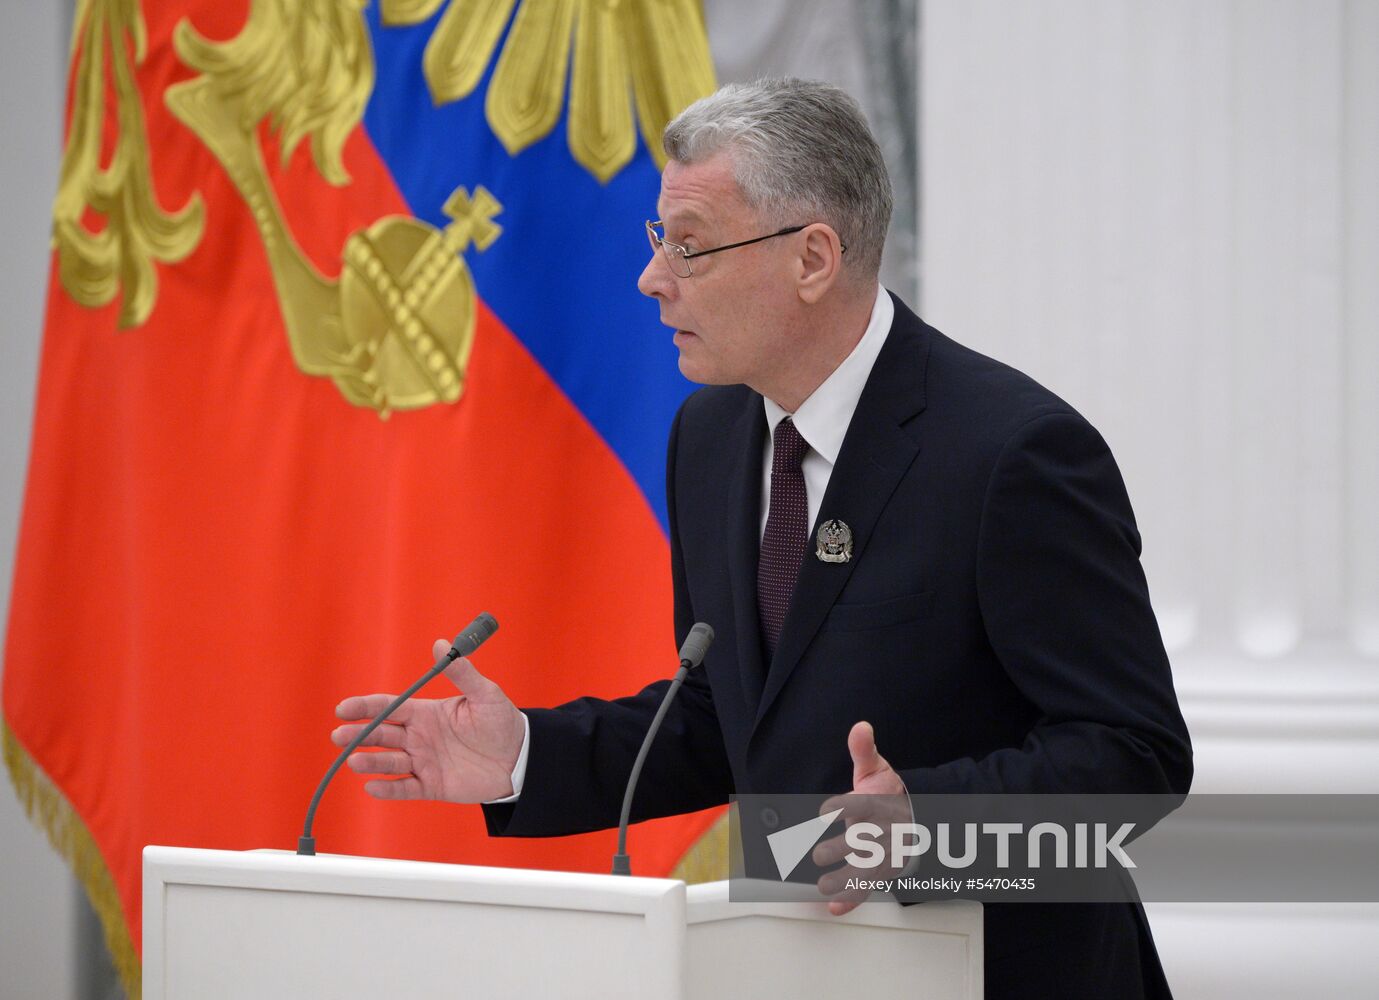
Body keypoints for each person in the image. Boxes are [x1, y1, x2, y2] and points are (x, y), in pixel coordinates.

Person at [332, 78, 1193, 998]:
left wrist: (925, 829)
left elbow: (1134, 754)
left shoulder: (1011, 452)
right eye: (660, 239)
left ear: (812, 259)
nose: (652, 277)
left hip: (1002, 973)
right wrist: (525, 757)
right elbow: (724, 720)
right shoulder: (708, 440)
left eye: (690, 247)